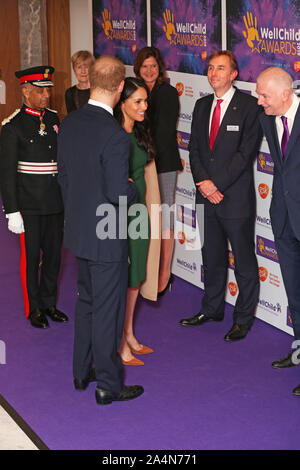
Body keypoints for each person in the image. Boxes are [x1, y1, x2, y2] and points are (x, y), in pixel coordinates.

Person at [57, 56, 144, 405]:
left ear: (90, 80)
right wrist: (133, 188)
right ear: (121, 86)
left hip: (78, 231)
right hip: (106, 236)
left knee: (87, 304)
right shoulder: (114, 135)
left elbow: (62, 177)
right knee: (108, 310)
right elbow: (118, 194)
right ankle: (108, 383)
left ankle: (81, 372)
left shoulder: (71, 122)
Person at [179, 50, 262, 342]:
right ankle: (212, 308)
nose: (214, 73)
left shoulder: (250, 106)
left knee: (243, 261)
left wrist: (217, 185)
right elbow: (194, 149)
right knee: (211, 257)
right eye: (211, 68)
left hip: (234, 198)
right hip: (206, 195)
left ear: (234, 74)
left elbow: (245, 153)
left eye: (221, 68)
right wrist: (203, 182)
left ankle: (242, 319)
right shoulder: (201, 105)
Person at [0, 66, 68, 329]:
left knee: (53, 256)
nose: (46, 95)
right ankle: (34, 307)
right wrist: (11, 210)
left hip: (54, 201)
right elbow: (7, 173)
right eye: (40, 90)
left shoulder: (53, 118)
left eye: (48, 90)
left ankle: (49, 302)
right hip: (29, 205)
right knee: (31, 260)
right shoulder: (12, 126)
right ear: (26, 91)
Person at [256, 67, 300, 396]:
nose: (260, 101)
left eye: (264, 96)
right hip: (284, 219)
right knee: (295, 292)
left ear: (285, 94)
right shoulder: (267, 118)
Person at [114, 77, 161, 366]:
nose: (144, 106)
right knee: (121, 279)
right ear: (122, 104)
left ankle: (128, 333)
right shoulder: (114, 136)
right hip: (118, 216)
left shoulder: (140, 131)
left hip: (140, 213)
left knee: (135, 279)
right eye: (138, 102)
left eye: (146, 101)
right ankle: (118, 343)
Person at [134, 47, 182, 296]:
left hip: (163, 162)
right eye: (145, 66)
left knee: (165, 216)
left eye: (153, 65)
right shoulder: (134, 91)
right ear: (138, 69)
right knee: (143, 217)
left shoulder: (168, 92)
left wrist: (148, 157)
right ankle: (145, 271)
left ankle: (164, 274)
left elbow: (163, 132)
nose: (149, 70)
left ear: (160, 67)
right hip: (140, 160)